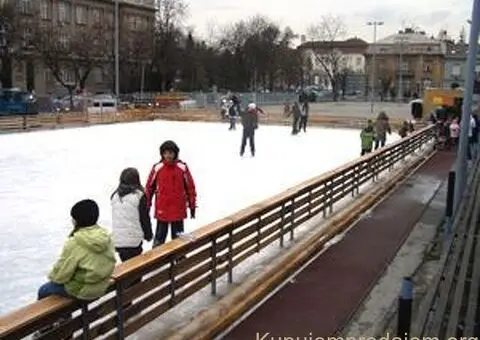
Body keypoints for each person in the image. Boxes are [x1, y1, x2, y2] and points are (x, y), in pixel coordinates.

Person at [37, 199, 116, 302]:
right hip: (101, 286)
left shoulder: (75, 242)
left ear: (76, 220)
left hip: (83, 291)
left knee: (43, 290)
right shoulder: (105, 235)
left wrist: (52, 276)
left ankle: (63, 318)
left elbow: (61, 274)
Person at [145, 140, 197, 246]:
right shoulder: (157, 168)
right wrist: (147, 204)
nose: (168, 155)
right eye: (166, 153)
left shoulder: (182, 168)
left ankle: (179, 260)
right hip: (162, 210)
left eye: (171, 153)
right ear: (162, 154)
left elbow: (190, 188)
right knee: (159, 240)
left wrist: (192, 206)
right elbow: (149, 188)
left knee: (178, 241)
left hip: (178, 210)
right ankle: (157, 260)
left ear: (175, 154)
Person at [111, 167, 153, 262]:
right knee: (135, 266)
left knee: (126, 263)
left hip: (118, 240)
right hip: (134, 240)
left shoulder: (115, 196)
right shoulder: (139, 196)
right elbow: (144, 218)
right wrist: (148, 234)